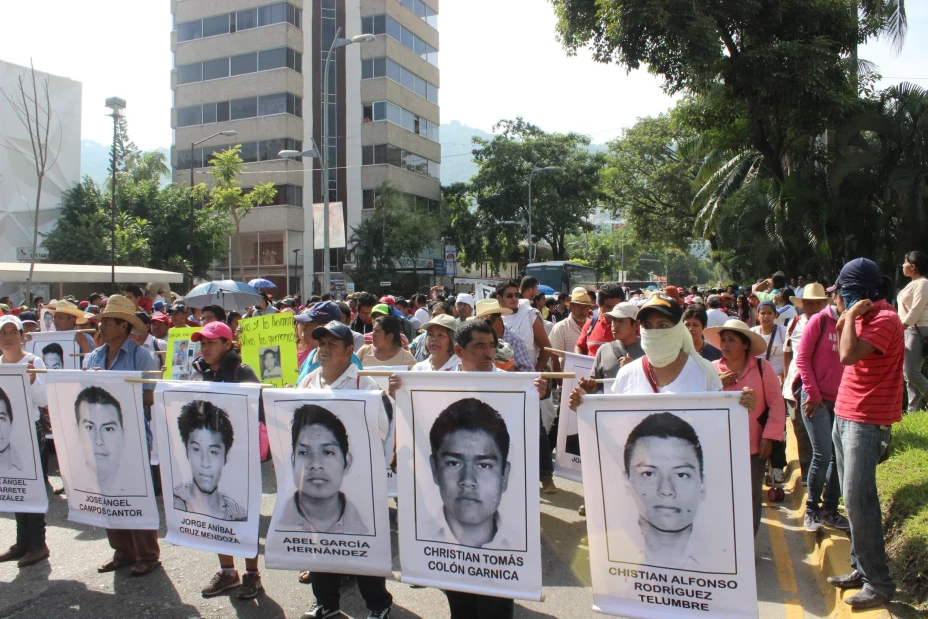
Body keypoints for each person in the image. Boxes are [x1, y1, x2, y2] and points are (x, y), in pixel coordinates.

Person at [387, 319, 547, 619]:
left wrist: (536, 394)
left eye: (492, 346)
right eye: (480, 347)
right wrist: (401, 396)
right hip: (449, 531)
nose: (489, 353)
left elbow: (525, 441)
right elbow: (421, 433)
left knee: (495, 603)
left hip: (502, 520)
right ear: (459, 350)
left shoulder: (512, 384)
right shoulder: (433, 385)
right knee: (460, 601)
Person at [296, 320, 393, 619]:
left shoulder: (364, 384)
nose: (324, 350)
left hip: (358, 480)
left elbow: (382, 429)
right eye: (321, 344)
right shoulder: (309, 381)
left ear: (349, 350)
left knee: (361, 544)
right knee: (320, 542)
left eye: (332, 345)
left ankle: (378, 605)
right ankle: (326, 602)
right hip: (318, 482)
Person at [827, 258, 904, 609]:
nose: (838, 297)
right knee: (850, 499)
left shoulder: (885, 320)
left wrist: (852, 316)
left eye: (843, 290)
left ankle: (880, 583)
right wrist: (851, 316)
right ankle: (860, 568)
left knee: (861, 502)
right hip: (846, 415)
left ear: (858, 291)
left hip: (867, 422)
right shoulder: (862, 318)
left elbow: (846, 355)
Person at [83, 295, 161, 577]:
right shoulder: (94, 356)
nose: (101, 326)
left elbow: (153, 396)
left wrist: (123, 393)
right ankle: (122, 551)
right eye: (101, 320)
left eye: (106, 321)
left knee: (136, 492)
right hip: (101, 436)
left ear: (123, 327)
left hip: (134, 434)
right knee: (109, 492)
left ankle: (148, 553)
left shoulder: (141, 356)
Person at [189, 320, 264, 599]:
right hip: (211, 457)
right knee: (215, 511)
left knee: (244, 515)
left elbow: (257, 408)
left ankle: (252, 575)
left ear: (227, 343)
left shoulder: (241, 371)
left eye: (210, 342)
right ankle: (228, 572)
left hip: (240, 456)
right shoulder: (200, 372)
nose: (205, 347)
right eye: (202, 343)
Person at [704, 319, 785, 536]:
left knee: (750, 495)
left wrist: (769, 436)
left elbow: (777, 404)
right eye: (723, 340)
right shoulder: (711, 370)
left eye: (732, 340)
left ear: (745, 344)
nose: (726, 344)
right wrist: (717, 384)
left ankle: (747, 543)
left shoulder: (762, 367)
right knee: (719, 494)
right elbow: (700, 404)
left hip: (753, 445)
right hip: (718, 445)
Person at [425, 398, 513, 548]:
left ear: (504, 475)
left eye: (484, 465)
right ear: (435, 470)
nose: (467, 480)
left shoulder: (520, 542)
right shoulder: (418, 538)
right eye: (454, 463)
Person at [795, 294, 849, 533]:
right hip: (814, 399)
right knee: (823, 454)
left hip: (843, 400)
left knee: (839, 457)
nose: (849, 300)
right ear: (836, 297)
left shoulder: (854, 323)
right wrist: (813, 392)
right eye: (845, 295)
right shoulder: (820, 321)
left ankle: (830, 510)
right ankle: (812, 509)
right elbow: (803, 358)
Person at [623, 412, 706, 570]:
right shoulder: (613, 558)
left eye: (681, 475)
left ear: (702, 485)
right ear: (627, 482)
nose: (666, 490)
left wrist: (741, 410)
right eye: (648, 474)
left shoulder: (721, 560)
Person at [0, 315, 50, 568]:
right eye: (2, 332)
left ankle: (38, 543)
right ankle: (22, 542)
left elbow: (43, 400)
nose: (7, 337)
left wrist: (32, 381)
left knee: (33, 485)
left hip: (30, 431)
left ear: (22, 336)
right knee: (14, 484)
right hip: (6, 435)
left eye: (12, 332)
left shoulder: (33, 361)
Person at [278, 404, 369, 535]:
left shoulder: (366, 526)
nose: (316, 464)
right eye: (303, 452)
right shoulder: (280, 525)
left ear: (347, 461)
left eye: (327, 452)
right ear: (293, 460)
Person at [173, 400, 246, 521]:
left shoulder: (239, 516)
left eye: (213, 452)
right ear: (187, 451)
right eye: (196, 449)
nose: (205, 463)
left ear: (225, 456)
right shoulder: (175, 501)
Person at [497, 279, 553, 372]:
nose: (514, 298)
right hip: (501, 377)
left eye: (516, 295)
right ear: (499, 298)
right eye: (509, 296)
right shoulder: (496, 318)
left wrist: (535, 374)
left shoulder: (529, 314)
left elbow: (546, 348)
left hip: (526, 377)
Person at [898, 250, 928, 411]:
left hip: (917, 330)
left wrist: (900, 327)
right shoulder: (913, 284)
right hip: (908, 330)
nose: (903, 265)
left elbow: (915, 310)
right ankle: (913, 410)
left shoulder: (923, 283)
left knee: (910, 372)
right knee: (908, 374)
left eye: (905, 262)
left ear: (913, 266)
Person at [575, 283, 626, 357]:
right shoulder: (590, 325)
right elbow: (579, 347)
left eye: (616, 307)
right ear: (599, 304)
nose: (612, 311)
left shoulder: (631, 327)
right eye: (608, 307)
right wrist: (579, 360)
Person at [547, 288, 594, 355]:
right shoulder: (560, 328)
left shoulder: (594, 326)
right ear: (571, 307)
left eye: (585, 306)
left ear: (589, 308)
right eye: (578, 305)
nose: (582, 310)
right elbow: (554, 357)